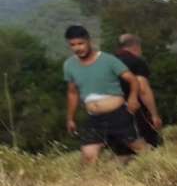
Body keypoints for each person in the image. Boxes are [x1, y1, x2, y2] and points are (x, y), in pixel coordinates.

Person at [62, 25, 148, 164]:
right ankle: (91, 184)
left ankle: (161, 164)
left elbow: (132, 80)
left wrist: (133, 98)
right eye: (73, 45)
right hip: (94, 117)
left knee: (138, 147)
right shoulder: (69, 65)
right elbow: (72, 93)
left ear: (88, 41)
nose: (78, 48)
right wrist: (70, 118)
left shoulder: (108, 60)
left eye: (80, 43)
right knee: (88, 154)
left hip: (118, 114)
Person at [113, 34, 163, 151]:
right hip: (134, 111)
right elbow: (143, 89)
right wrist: (154, 115)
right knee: (149, 145)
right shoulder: (136, 62)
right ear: (136, 47)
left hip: (110, 114)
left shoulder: (109, 62)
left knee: (121, 151)